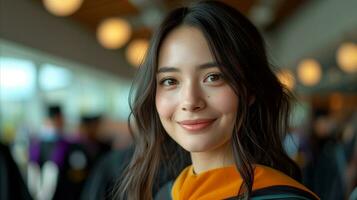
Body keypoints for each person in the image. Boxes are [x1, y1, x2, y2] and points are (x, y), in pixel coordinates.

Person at [116, 1, 319, 199]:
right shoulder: (166, 193)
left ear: (249, 89)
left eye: (213, 77)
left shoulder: (280, 196)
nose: (190, 101)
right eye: (170, 81)